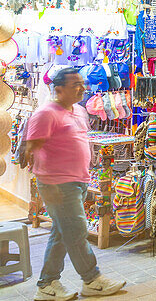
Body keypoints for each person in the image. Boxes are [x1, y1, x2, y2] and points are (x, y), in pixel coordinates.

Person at [23, 68, 126, 300]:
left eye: (82, 83)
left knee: (62, 233)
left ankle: (47, 284)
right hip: (57, 185)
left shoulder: (79, 111)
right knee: (77, 232)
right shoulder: (46, 113)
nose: (81, 88)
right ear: (58, 90)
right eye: (75, 85)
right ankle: (92, 279)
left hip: (77, 181)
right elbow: (32, 146)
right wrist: (48, 186)